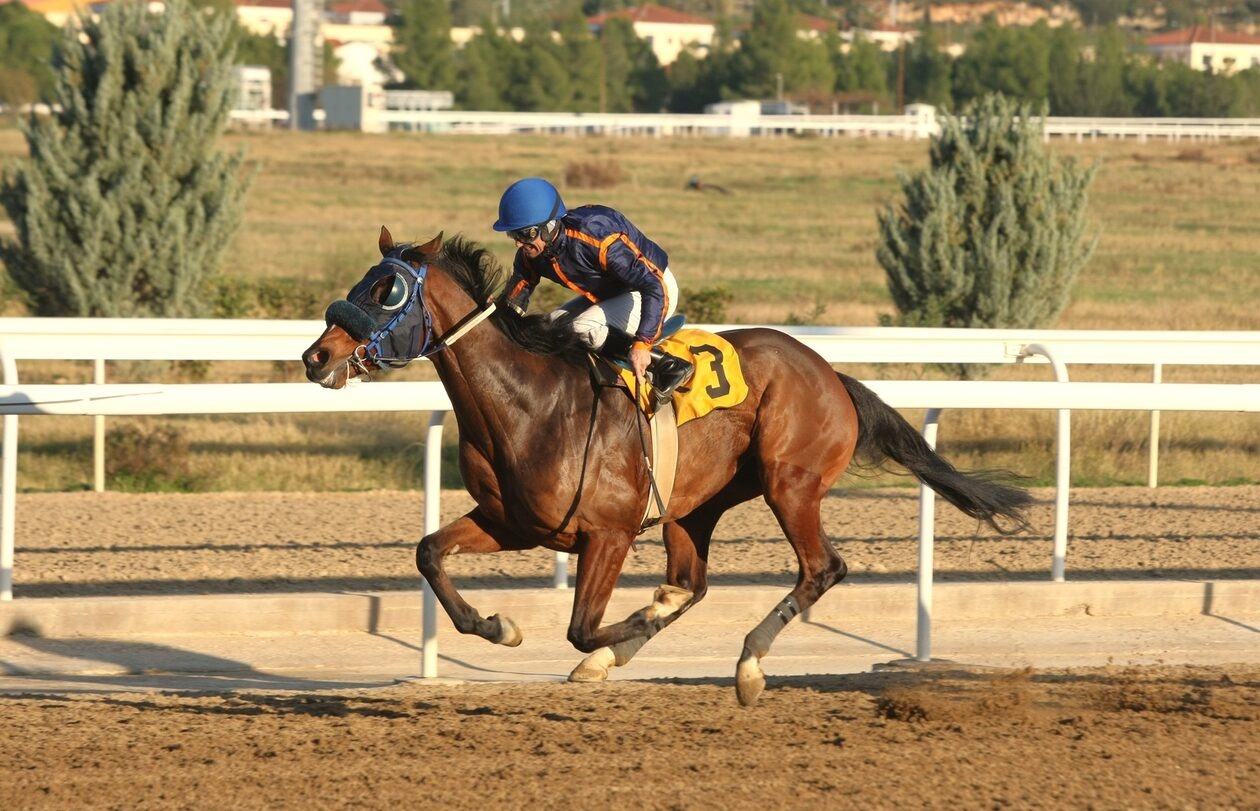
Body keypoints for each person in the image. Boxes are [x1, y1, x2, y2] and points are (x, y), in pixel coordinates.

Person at [492, 177, 693, 402]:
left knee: (581, 327)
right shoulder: (532, 254)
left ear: (549, 228)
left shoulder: (596, 239)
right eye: (513, 235)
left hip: (654, 290)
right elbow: (516, 296)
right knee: (551, 326)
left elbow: (653, 286)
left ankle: (667, 364)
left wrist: (642, 343)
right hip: (614, 293)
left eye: (524, 234)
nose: (518, 244)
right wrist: (494, 315)